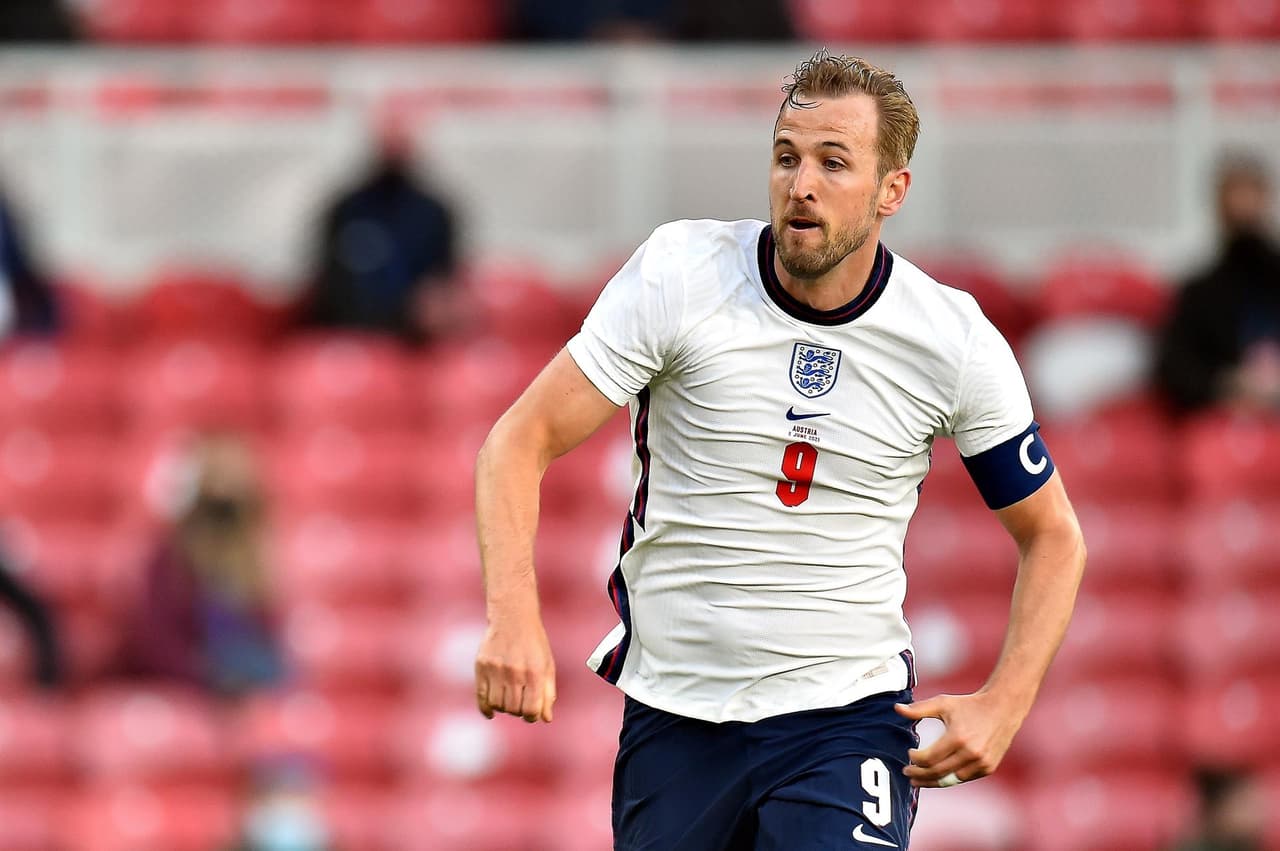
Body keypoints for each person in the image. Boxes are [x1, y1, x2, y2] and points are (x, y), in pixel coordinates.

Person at [474, 51, 1086, 850]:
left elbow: (1053, 535)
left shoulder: (952, 340)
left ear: (891, 191)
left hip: (846, 718)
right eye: (787, 156)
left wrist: (1006, 700)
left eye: (835, 162)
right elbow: (518, 441)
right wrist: (513, 618)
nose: (802, 183)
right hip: (678, 716)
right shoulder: (681, 276)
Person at [121, 433, 285, 698]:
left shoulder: (255, 560)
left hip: (246, 689)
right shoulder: (169, 560)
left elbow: (269, 637)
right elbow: (158, 643)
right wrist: (206, 678)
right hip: (187, 691)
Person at [304, 132, 460, 344]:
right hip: (346, 333)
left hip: (415, 337)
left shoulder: (434, 212)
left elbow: (446, 282)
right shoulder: (345, 208)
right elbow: (327, 282)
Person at [1155, 153, 1280, 415]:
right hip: (1224, 420)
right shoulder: (1200, 293)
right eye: (1235, 194)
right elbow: (1175, 367)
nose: (1243, 205)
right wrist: (1227, 385)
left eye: (1251, 193)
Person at [1168, 766, 1265, 851]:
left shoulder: (1248, 845)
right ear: (1217, 808)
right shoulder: (1190, 846)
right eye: (1244, 803)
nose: (1254, 814)